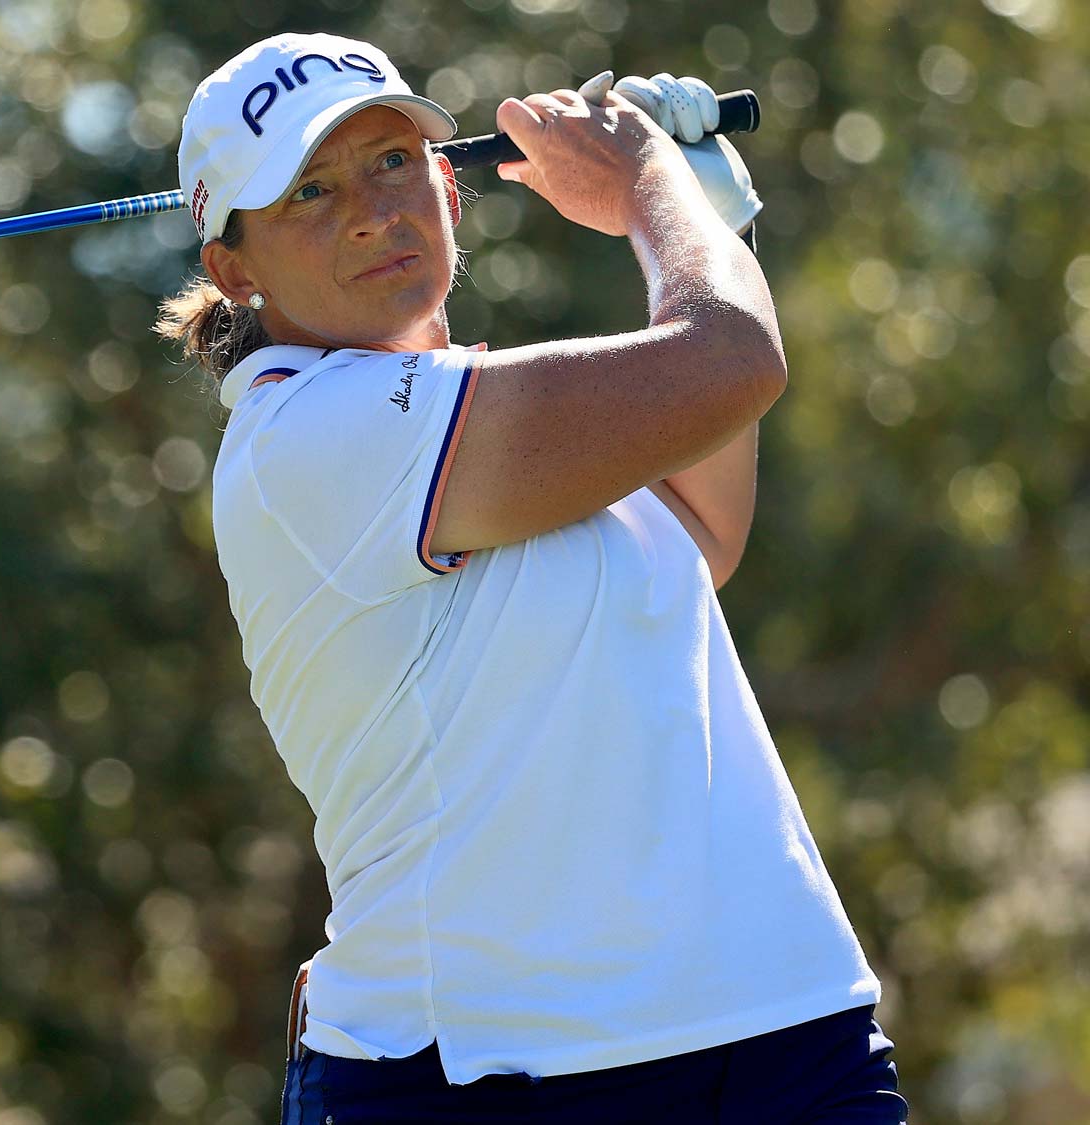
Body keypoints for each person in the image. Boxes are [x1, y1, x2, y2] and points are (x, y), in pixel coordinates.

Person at [157, 32, 906, 1123]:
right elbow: (728, 359)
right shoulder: (304, 437)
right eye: (308, 191)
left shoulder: (480, 415)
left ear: (447, 190)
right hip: (493, 1072)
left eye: (391, 162)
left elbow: (695, 533)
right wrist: (648, 183)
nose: (370, 209)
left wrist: (709, 219)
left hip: (780, 1032)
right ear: (234, 269)